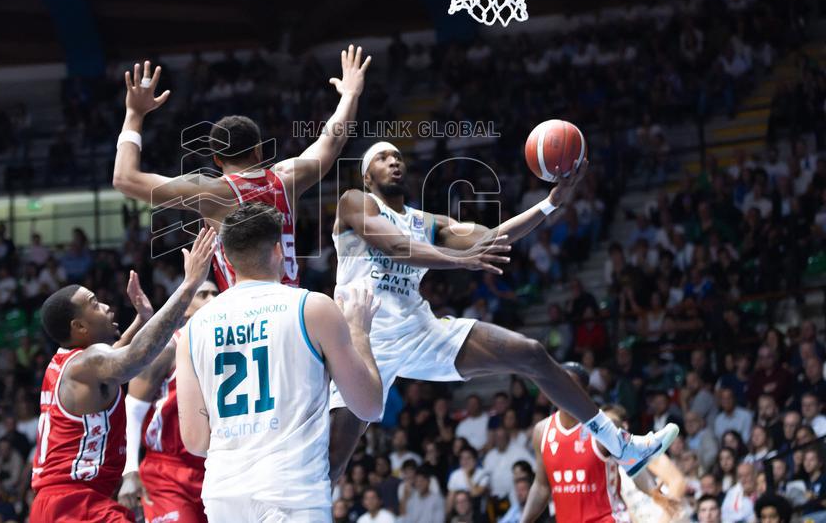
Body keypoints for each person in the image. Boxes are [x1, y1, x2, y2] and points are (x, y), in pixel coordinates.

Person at [329, 142, 679, 484]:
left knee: (531, 353)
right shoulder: (355, 202)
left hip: (420, 331)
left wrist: (549, 204)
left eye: (398, 156)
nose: (393, 161)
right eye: (382, 157)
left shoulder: (428, 223)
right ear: (367, 177)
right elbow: (393, 246)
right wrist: (461, 260)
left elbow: (493, 238)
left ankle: (620, 445)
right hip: (361, 336)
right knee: (333, 461)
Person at [176, 203, 384, 522]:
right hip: (291, 493)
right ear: (278, 251)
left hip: (223, 497)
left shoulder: (192, 330)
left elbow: (195, 441)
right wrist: (359, 331)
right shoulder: (312, 308)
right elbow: (369, 406)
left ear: (227, 260)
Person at [113, 47, 371, 290]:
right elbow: (333, 140)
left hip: (242, 317)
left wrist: (134, 114)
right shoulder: (287, 178)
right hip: (291, 305)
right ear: (259, 150)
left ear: (216, 159)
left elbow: (125, 179)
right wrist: (350, 95)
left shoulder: (211, 191)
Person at [29, 228, 216, 523]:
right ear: (79, 327)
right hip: (76, 503)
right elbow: (132, 359)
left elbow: (116, 356)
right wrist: (189, 285)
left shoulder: (73, 364)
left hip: (66, 502)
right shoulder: (86, 363)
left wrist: (142, 319)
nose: (105, 306)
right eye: (94, 304)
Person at [119, 280, 219, 523]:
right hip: (167, 472)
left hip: (217, 467)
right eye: (203, 294)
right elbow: (133, 406)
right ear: (184, 307)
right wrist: (130, 469)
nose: (211, 299)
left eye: (216, 294)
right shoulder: (166, 347)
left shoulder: (230, 345)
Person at [521, 363, 630, 523]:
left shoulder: (606, 425)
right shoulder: (541, 431)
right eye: (558, 384)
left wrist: (653, 492)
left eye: (570, 385)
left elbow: (635, 464)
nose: (562, 390)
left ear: (584, 392)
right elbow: (541, 486)